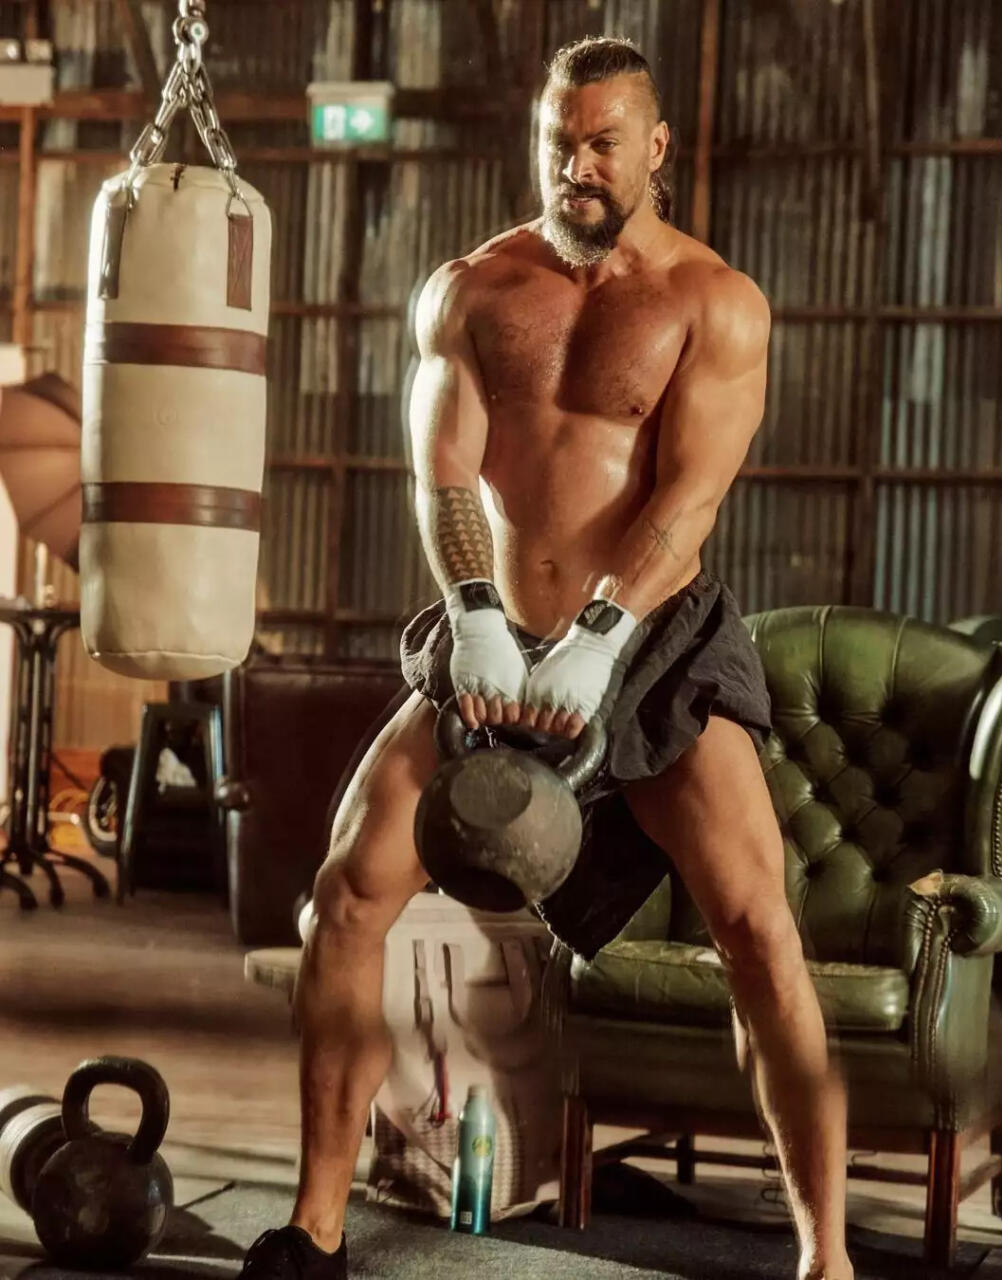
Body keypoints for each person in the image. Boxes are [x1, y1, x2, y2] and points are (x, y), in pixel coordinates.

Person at [239, 36, 852, 1280]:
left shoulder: (713, 302)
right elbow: (442, 473)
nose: (576, 166)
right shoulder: (472, 289)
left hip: (652, 645)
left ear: (655, 146)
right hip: (493, 639)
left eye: (601, 144)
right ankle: (314, 1230)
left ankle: (825, 1256)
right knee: (344, 899)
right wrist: (473, 609)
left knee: (758, 932)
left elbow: (688, 500)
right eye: (557, 143)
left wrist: (603, 631)